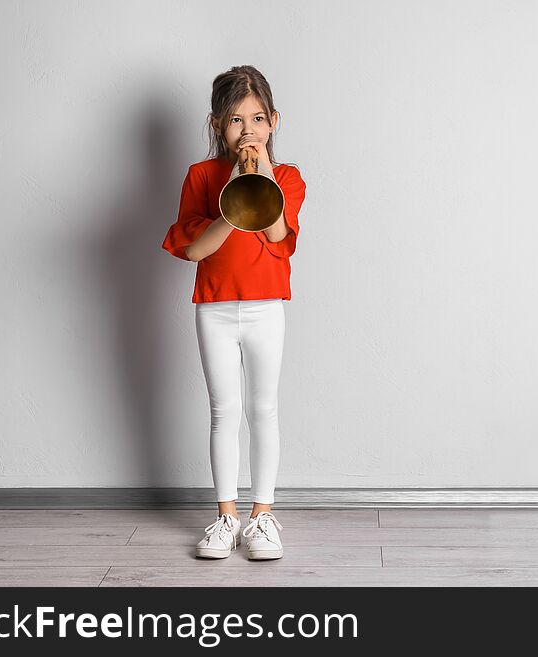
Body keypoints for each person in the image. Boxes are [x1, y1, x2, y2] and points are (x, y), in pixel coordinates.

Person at [161, 65, 307, 560]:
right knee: (223, 412)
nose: (248, 131)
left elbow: (277, 235)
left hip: (267, 309)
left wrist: (261, 174)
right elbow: (197, 251)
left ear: (273, 122)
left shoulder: (287, 177)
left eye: (258, 119)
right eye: (236, 121)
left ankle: (262, 518)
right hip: (216, 309)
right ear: (217, 125)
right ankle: (225, 516)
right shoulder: (201, 177)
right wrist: (231, 207)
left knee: (263, 410)